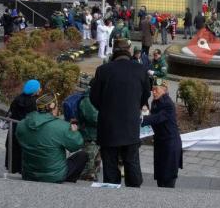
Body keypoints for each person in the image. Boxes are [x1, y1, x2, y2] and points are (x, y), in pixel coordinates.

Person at [90, 38, 151, 187]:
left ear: (114, 51)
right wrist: (135, 106)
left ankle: (111, 194)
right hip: (130, 123)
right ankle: (134, 194)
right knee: (132, 161)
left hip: (108, 125)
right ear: (129, 50)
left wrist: (106, 109)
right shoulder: (140, 69)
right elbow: (146, 94)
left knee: (110, 163)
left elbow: (94, 98)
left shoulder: (103, 70)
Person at [16, 93, 87, 183]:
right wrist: (74, 132)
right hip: (54, 176)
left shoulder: (22, 124)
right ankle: (68, 181)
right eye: (57, 106)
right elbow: (76, 145)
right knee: (82, 155)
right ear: (52, 106)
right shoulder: (62, 126)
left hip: (29, 174)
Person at [140, 78, 183, 188]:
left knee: (168, 178)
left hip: (170, 144)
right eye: (152, 90)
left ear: (164, 90)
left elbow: (158, 118)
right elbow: (153, 119)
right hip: (160, 142)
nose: (153, 92)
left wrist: (141, 119)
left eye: (156, 90)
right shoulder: (155, 101)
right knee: (160, 176)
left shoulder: (168, 104)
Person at [5, 79, 41, 174]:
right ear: (35, 90)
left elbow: (11, 112)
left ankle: (11, 168)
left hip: (14, 128)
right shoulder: (34, 103)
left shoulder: (18, 99)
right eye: (38, 88)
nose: (40, 89)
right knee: (24, 150)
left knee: (13, 149)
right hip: (26, 131)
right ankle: (22, 170)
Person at [78, 81, 101, 181]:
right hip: (90, 137)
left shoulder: (94, 97)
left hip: (96, 136)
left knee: (95, 164)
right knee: (88, 167)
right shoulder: (87, 100)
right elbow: (94, 118)